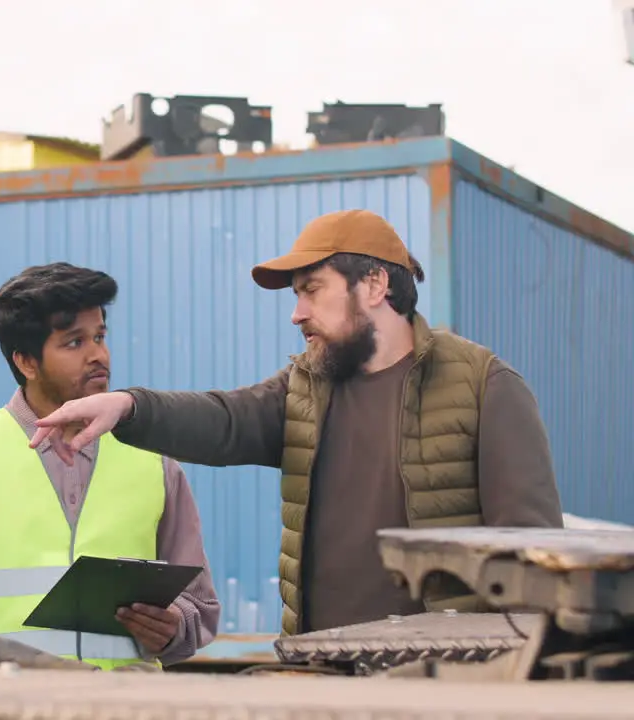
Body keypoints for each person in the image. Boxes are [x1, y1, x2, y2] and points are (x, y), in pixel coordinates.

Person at [28, 209, 564, 637]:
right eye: (296, 296)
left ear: (374, 284)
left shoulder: (483, 385)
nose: (297, 313)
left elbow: (533, 560)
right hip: (321, 673)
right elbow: (224, 419)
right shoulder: (305, 388)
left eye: (312, 289)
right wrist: (127, 406)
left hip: (443, 682)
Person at [0, 262, 220, 669]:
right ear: (26, 362)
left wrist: (173, 624)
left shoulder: (154, 461)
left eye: (100, 336)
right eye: (74, 343)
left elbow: (198, 605)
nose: (98, 355)